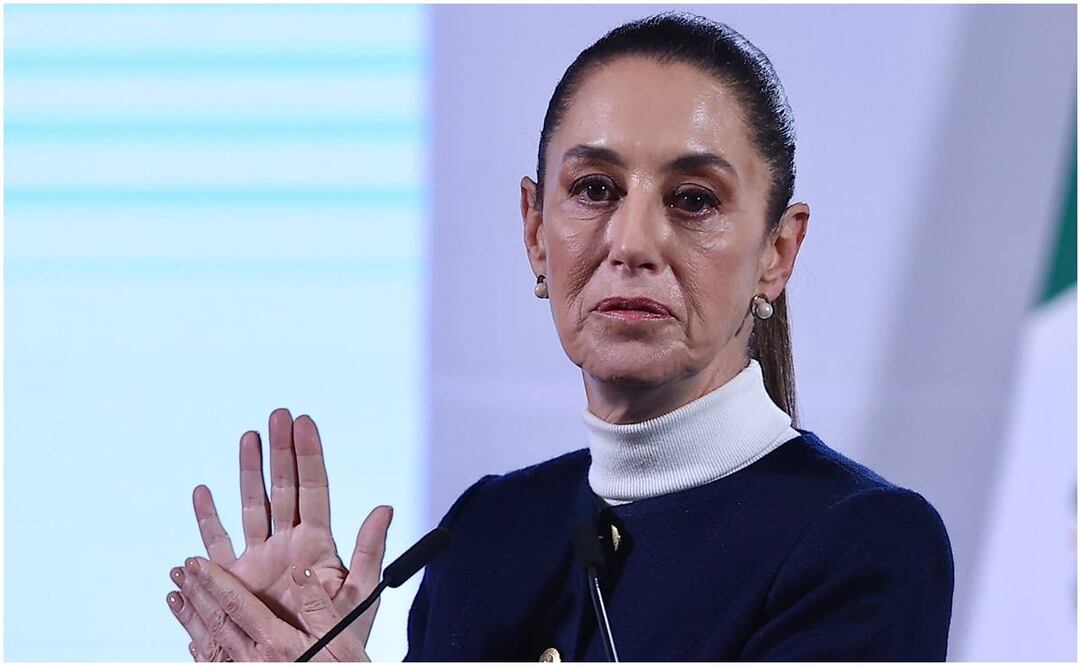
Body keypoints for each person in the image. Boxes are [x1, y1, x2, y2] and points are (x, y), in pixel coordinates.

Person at [166, 11, 955, 661]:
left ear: (776, 253)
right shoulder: (486, 533)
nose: (632, 242)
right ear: (535, 231)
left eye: (692, 199)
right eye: (594, 188)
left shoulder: (861, 543)